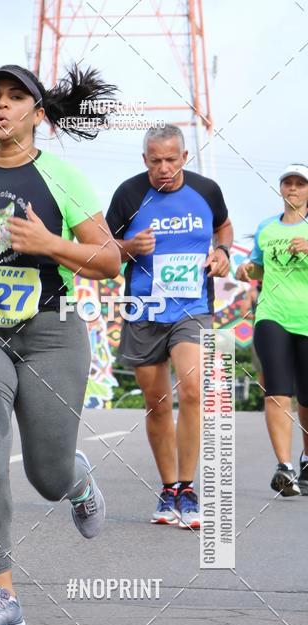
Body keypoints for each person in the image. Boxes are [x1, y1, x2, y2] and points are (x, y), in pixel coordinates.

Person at [0, 63, 121, 625]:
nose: (1, 105)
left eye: (14, 97)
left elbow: (109, 260)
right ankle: (3, 595)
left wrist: (49, 243)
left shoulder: (63, 177)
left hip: (51, 331)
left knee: (46, 474)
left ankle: (77, 481)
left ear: (38, 114)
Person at [106, 124, 233, 528]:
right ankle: (168, 489)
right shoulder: (128, 194)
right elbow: (102, 250)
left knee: (192, 389)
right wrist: (129, 247)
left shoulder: (206, 190)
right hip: (143, 309)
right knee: (157, 402)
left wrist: (223, 252)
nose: (163, 168)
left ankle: (188, 488)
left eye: (171, 160)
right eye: (155, 161)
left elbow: (224, 226)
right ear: (145, 159)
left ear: (184, 157)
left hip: (192, 308)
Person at [236, 164, 308, 496]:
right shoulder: (267, 227)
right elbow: (258, 268)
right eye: (287, 183)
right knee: (277, 388)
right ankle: (285, 467)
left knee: (306, 396)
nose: (293, 188)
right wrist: (246, 269)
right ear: (281, 188)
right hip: (271, 314)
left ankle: (306, 459)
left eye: (300, 184)